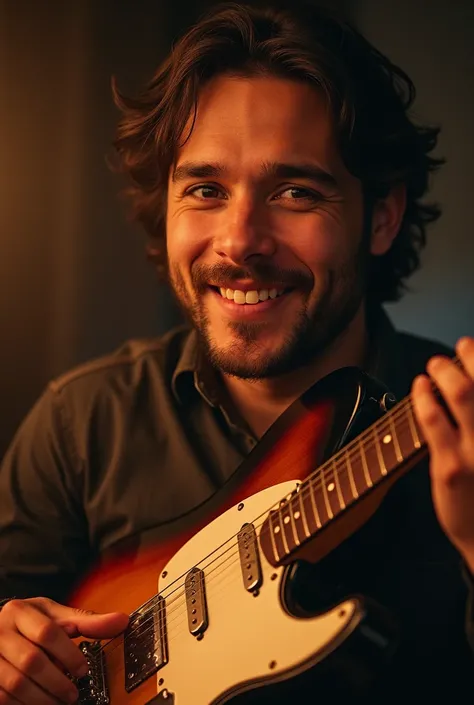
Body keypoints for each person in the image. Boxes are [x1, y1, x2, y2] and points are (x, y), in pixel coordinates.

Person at [0, 0, 473, 702]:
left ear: (381, 216)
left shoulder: (451, 414)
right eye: (206, 189)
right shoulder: (81, 424)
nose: (240, 239)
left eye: (294, 190)